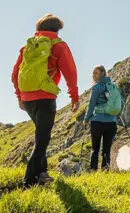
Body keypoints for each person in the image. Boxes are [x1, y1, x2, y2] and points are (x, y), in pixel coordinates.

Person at [11, 13, 79, 186]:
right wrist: (74, 96)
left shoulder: (27, 47)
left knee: (41, 135)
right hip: (45, 97)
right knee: (42, 139)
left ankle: (42, 174)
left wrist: (19, 96)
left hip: (27, 98)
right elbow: (70, 72)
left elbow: (15, 73)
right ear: (57, 29)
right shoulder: (59, 46)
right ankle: (29, 181)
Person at [83, 65, 119, 170]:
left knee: (95, 148)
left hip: (97, 122)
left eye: (96, 73)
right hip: (111, 122)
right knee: (106, 149)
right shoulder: (113, 86)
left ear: (102, 74)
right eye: (93, 73)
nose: (93, 75)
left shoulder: (96, 87)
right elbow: (119, 103)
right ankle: (105, 169)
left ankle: (93, 170)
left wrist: (86, 119)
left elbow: (91, 105)